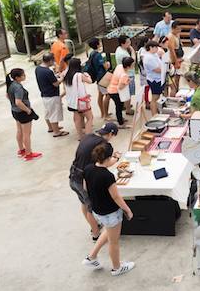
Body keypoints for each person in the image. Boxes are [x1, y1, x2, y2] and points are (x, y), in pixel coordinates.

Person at [82, 142, 135, 276]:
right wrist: (128, 210)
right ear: (108, 157)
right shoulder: (107, 176)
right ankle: (117, 268)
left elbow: (85, 188)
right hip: (110, 213)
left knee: (108, 231)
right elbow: (116, 197)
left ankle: (92, 257)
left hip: (97, 210)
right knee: (114, 242)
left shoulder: (88, 168)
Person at [69, 122, 118, 242]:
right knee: (91, 208)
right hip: (83, 180)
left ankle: (94, 226)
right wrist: (116, 158)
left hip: (73, 176)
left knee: (84, 203)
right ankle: (96, 234)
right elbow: (103, 164)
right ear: (111, 134)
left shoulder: (88, 136)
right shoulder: (103, 145)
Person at [7, 68, 41, 160]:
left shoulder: (11, 84)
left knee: (19, 131)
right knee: (27, 133)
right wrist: (27, 110)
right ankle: (28, 153)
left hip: (15, 111)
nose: (25, 76)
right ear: (17, 77)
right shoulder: (18, 88)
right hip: (23, 112)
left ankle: (21, 149)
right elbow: (18, 102)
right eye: (23, 75)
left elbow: (7, 95)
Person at [35, 53, 67, 137]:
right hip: (52, 95)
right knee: (54, 114)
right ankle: (57, 132)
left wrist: (55, 76)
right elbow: (56, 84)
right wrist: (62, 78)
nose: (54, 62)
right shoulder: (48, 71)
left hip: (44, 95)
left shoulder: (38, 68)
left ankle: (51, 127)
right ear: (50, 61)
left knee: (48, 112)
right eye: (53, 61)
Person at [64, 58, 95, 138]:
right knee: (90, 118)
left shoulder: (66, 75)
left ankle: (80, 136)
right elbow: (90, 81)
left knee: (77, 119)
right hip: (81, 101)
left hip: (72, 102)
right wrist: (87, 75)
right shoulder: (79, 75)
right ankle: (88, 136)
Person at [85, 38, 111, 120]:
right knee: (108, 95)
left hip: (97, 76)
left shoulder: (92, 53)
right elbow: (105, 66)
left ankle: (102, 113)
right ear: (97, 44)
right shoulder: (98, 55)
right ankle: (106, 115)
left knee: (100, 95)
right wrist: (108, 64)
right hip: (102, 76)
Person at [107, 57, 133, 128]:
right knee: (119, 107)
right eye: (132, 64)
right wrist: (127, 82)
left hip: (111, 88)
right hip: (115, 92)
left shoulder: (119, 66)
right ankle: (120, 123)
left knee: (118, 106)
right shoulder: (124, 75)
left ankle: (120, 119)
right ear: (128, 66)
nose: (133, 65)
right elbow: (120, 87)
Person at [114, 36, 136, 116]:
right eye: (128, 42)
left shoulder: (120, 49)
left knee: (126, 92)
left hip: (125, 73)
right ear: (122, 44)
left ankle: (125, 105)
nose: (130, 44)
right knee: (128, 93)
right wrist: (133, 51)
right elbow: (133, 62)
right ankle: (128, 109)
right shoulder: (122, 53)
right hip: (128, 75)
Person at [142, 40, 165, 116]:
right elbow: (157, 70)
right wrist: (166, 69)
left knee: (157, 97)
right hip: (154, 80)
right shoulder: (148, 58)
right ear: (150, 47)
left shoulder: (153, 54)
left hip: (158, 78)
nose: (157, 49)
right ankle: (154, 115)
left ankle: (156, 111)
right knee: (155, 98)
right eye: (156, 47)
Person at [166, 21, 185, 95]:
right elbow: (172, 51)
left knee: (177, 80)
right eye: (177, 29)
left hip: (179, 57)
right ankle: (173, 96)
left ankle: (176, 93)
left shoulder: (177, 35)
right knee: (174, 83)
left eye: (180, 29)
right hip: (174, 60)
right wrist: (176, 62)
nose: (179, 30)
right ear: (172, 28)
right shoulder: (170, 37)